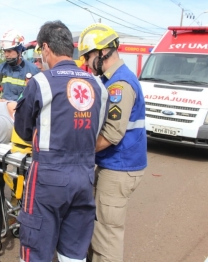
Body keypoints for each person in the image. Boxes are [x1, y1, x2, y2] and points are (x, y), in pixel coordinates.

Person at [14, 20, 109, 262]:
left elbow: (23, 129)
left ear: (45, 48)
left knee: (36, 248)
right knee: (74, 252)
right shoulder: (98, 85)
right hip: (85, 176)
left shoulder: (41, 82)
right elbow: (97, 127)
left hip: (48, 177)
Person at [78, 23, 147, 262]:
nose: (86, 63)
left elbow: (111, 134)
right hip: (116, 165)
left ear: (102, 52)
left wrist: (80, 151)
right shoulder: (113, 80)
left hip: (119, 167)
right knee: (98, 226)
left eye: (88, 56)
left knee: (106, 236)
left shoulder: (119, 85)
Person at [0, 29, 40, 101]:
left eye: (9, 51)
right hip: (3, 109)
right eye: (4, 51)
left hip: (24, 111)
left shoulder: (34, 70)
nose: (6, 55)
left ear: (19, 51)